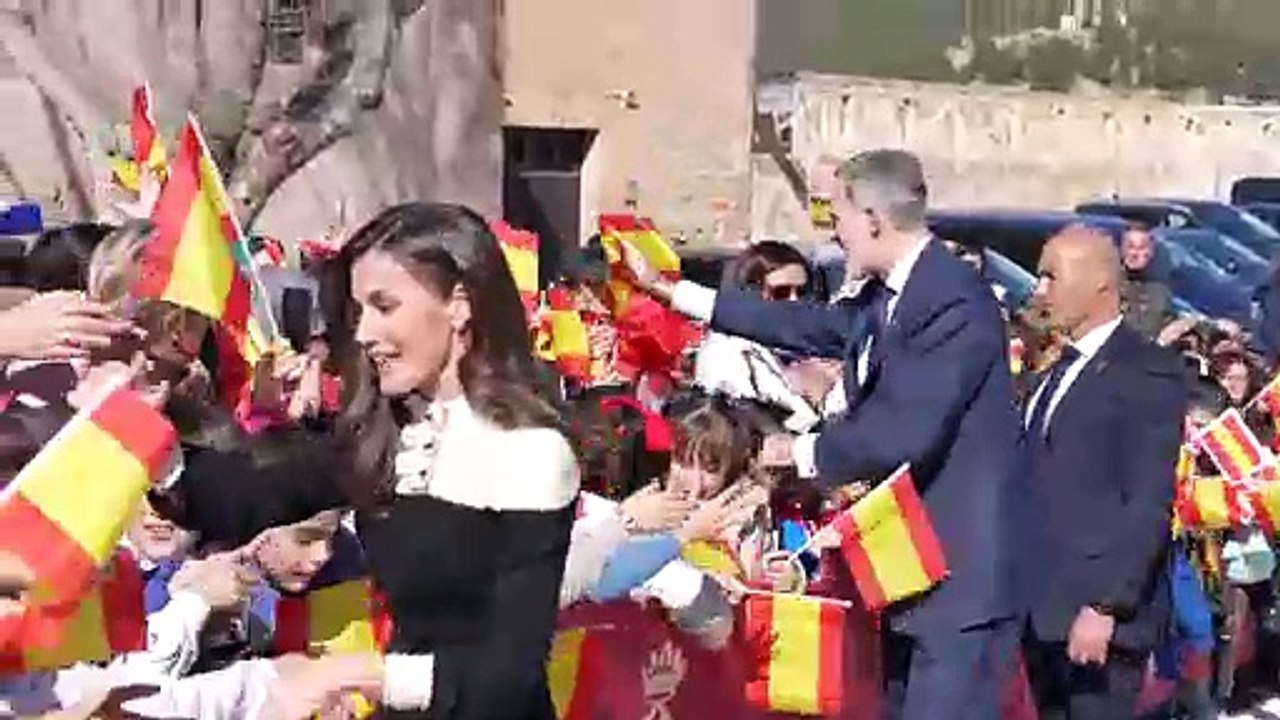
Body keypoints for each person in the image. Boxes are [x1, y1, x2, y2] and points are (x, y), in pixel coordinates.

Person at [625, 149, 1024, 720]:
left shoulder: (950, 300)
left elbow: (904, 429)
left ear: (871, 217)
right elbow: (804, 325)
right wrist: (679, 294)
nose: (833, 234)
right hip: (911, 572)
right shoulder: (889, 295)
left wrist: (797, 451)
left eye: (836, 216)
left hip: (961, 578)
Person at [152, 202, 580, 718]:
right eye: (359, 312)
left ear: (460, 305)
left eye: (384, 306)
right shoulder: (384, 433)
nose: (363, 334)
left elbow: (508, 674)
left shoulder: (532, 451)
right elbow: (249, 496)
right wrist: (141, 427)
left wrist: (349, 674)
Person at [1021, 226, 1185, 719]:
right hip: (1043, 613)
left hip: (1098, 620)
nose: (1040, 290)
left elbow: (1148, 502)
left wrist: (1107, 605)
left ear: (1100, 284)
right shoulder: (1054, 369)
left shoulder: (1144, 370)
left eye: (1052, 276)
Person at [1118, 223, 1174, 341]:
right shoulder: (1109, 287)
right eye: (1130, 246)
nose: (1134, 253)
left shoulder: (1161, 291)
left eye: (1141, 247)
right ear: (1122, 250)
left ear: (1150, 251)